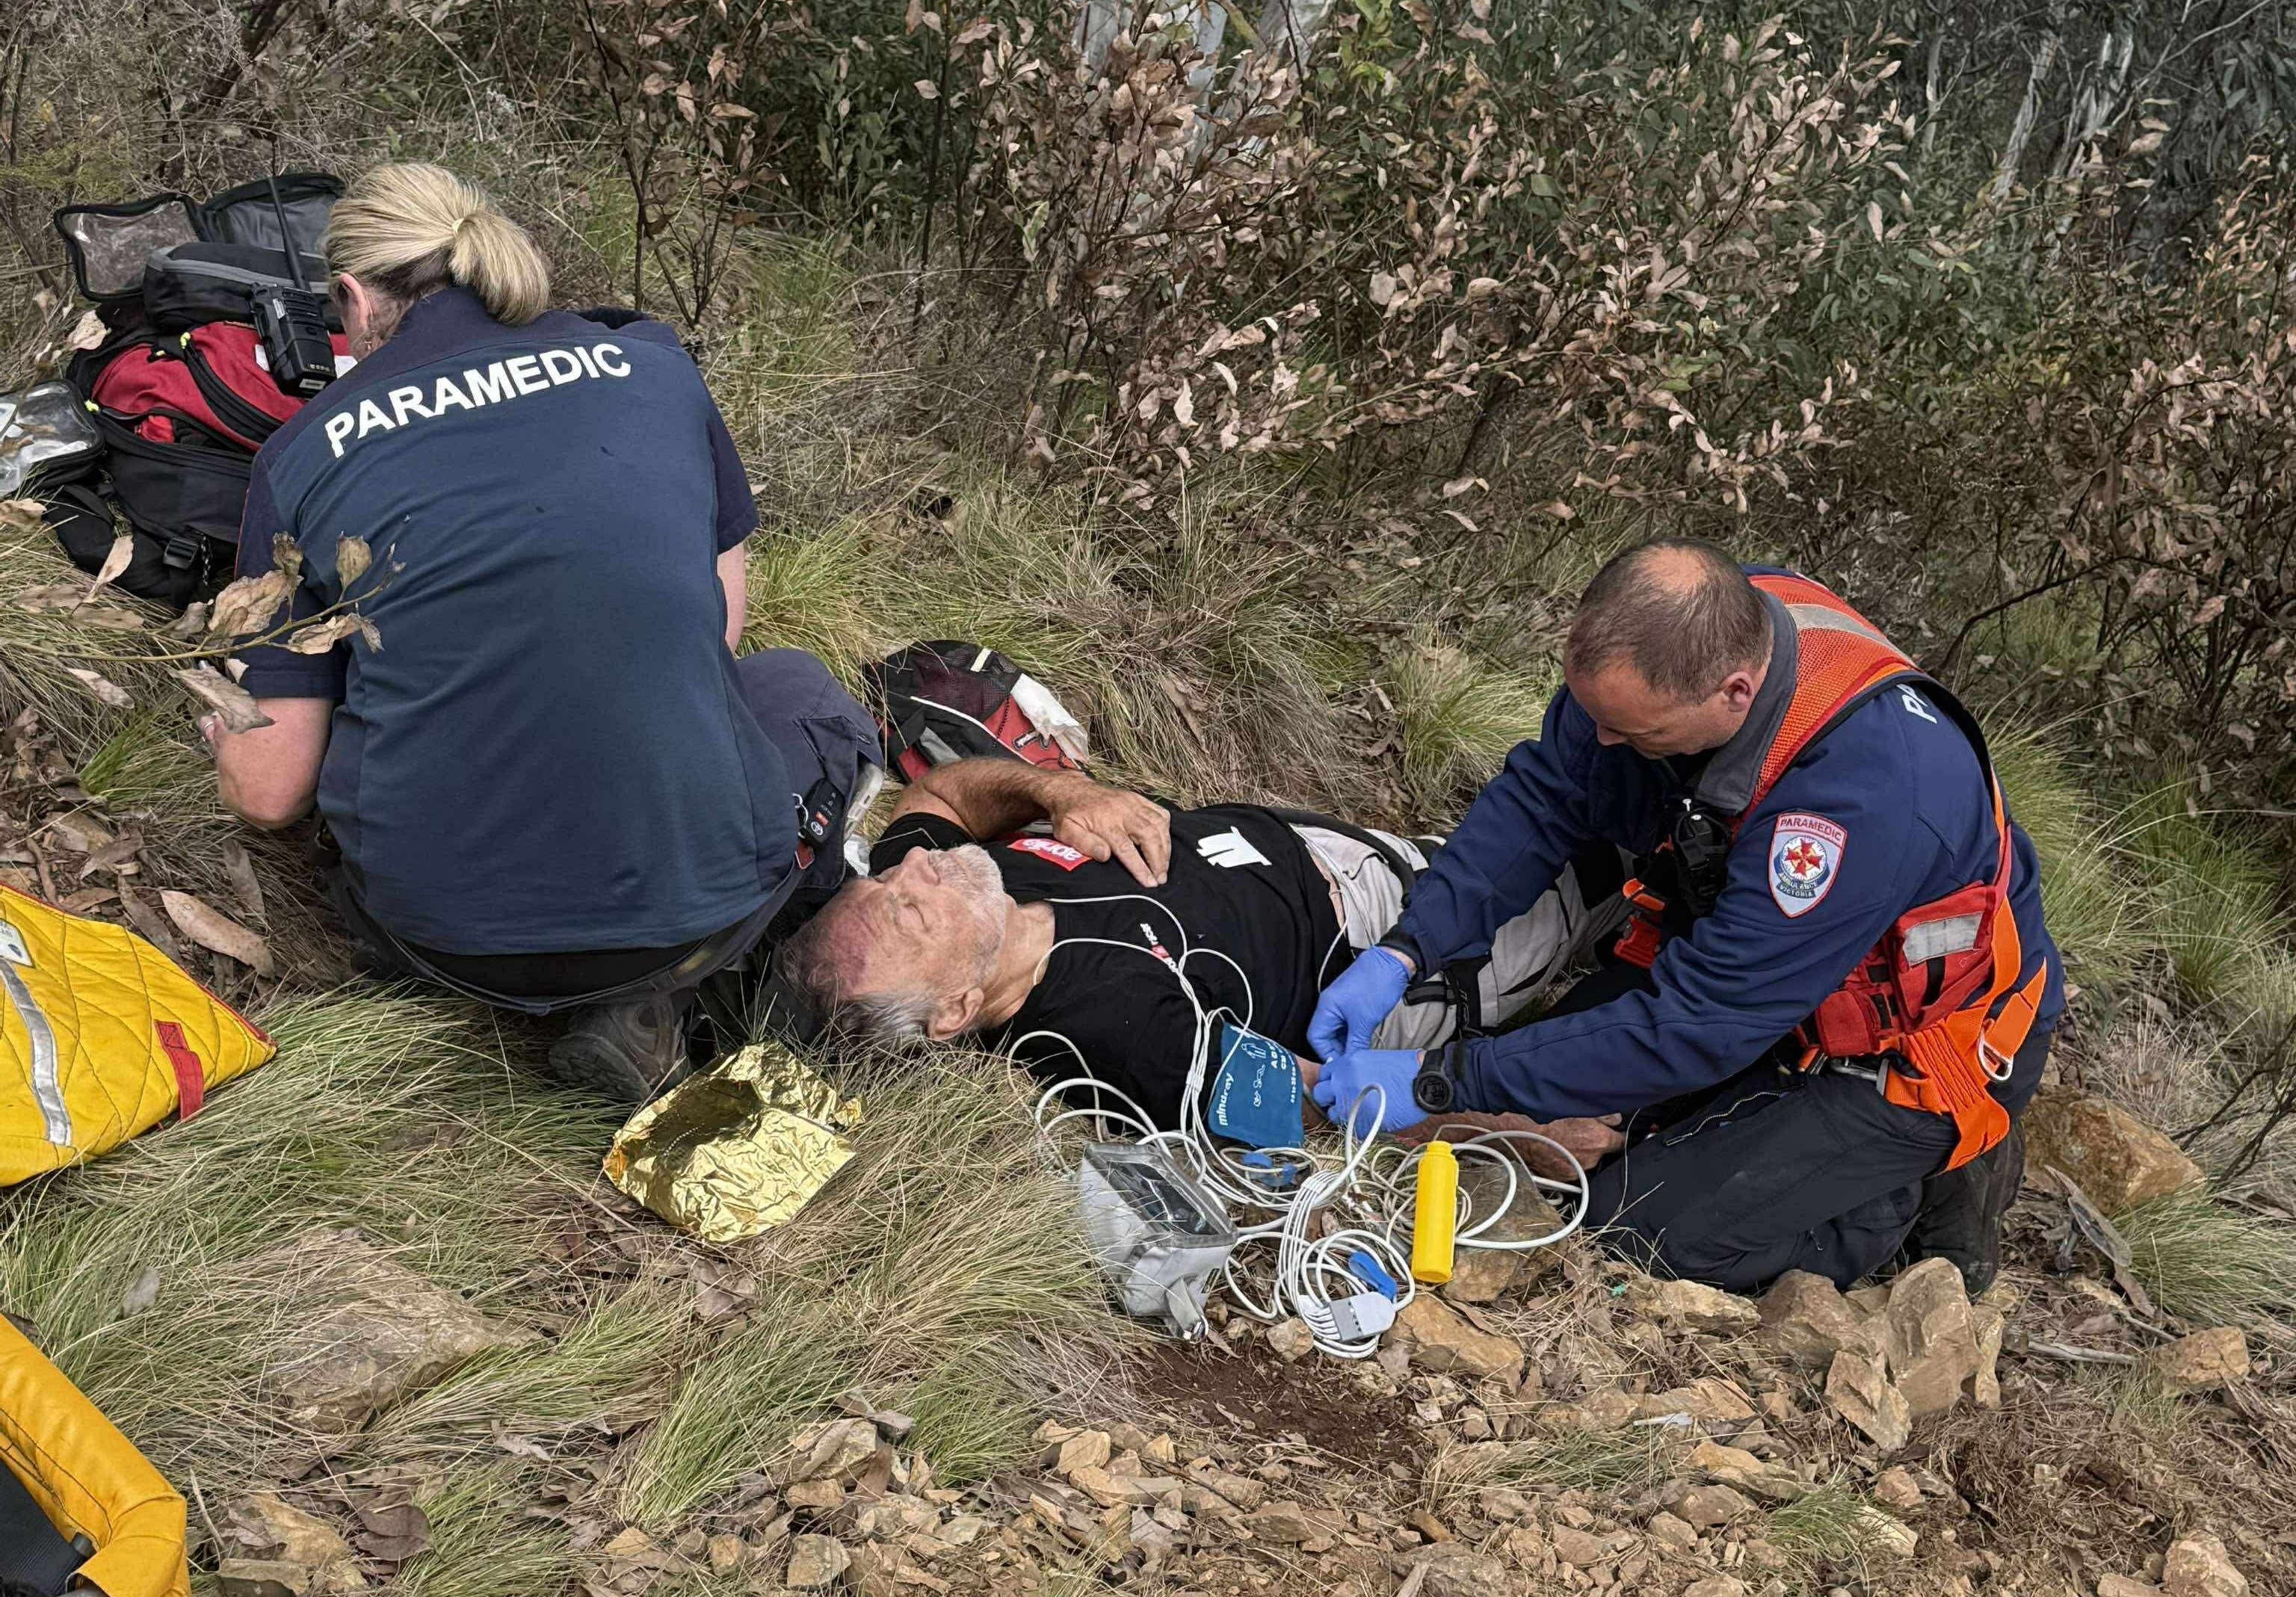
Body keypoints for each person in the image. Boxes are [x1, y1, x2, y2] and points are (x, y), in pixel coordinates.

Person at [204, 163, 881, 1099]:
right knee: (800, 692)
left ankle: (572, 982)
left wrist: (221, 714)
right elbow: (717, 634)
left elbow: (269, 792)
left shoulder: (303, 450)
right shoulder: (651, 364)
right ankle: (671, 994)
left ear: (354, 298)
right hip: (691, 920)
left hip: (439, 937)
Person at [1306, 540, 2061, 1295]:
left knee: (1632, 1228)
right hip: (1750, 966)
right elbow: (1544, 804)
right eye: (1596, 715)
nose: (1604, 742)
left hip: (1915, 1050)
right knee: (1545, 1148)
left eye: (1635, 733)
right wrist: (1407, 951)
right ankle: (1735, 1132)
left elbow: (1701, 1023)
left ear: (1735, 692)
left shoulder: (1860, 803)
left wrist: (1442, 1079)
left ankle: (1905, 1192)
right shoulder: (1674, 641)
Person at [771, 754, 1623, 1166]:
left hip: (1323, 840)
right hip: (1396, 943)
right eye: (914, 908)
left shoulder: (951, 880)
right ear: (954, 1009)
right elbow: (1323, 1099)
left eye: (892, 878)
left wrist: (1063, 791)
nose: (915, 867)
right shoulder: (1114, 1031)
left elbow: (941, 796)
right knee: (1607, 866)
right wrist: (1516, 1135)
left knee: (1583, 792)